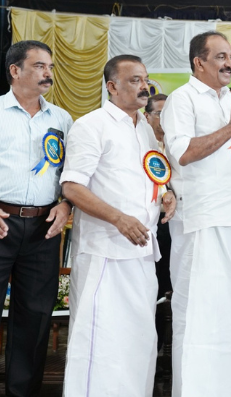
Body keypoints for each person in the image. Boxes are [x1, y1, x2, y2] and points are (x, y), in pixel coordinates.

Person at [160, 31, 231, 396]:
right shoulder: (182, 99)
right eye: (221, 56)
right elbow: (183, 153)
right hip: (201, 220)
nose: (230, 63)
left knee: (227, 316)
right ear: (199, 62)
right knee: (198, 315)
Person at [60, 55, 177, 396]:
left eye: (145, 80)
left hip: (141, 252)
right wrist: (118, 218)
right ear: (111, 86)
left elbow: (150, 178)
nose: (144, 87)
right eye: (134, 80)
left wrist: (166, 194)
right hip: (104, 251)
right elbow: (72, 187)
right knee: (100, 341)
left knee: (138, 338)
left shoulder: (144, 127)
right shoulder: (91, 125)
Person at [0, 40, 73, 397]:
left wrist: (66, 204)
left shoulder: (61, 119)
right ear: (15, 71)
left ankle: (21, 393)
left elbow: (73, 173)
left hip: (44, 227)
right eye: (40, 66)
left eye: (50, 67)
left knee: (35, 317)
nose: (48, 73)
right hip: (0, 221)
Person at [145, 93, 173, 350]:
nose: (165, 120)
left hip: (178, 228)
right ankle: (151, 351)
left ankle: (172, 353)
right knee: (151, 292)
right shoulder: (141, 146)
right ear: (147, 116)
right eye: (159, 114)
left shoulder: (179, 145)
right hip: (149, 228)